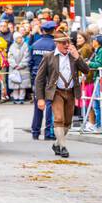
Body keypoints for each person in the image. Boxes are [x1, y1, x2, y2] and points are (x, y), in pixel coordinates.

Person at [33, 26, 89, 158]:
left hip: (70, 92)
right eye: (63, 42)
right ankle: (63, 147)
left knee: (67, 123)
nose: (66, 45)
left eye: (68, 42)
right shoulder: (49, 57)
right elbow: (39, 79)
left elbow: (86, 70)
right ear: (57, 43)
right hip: (56, 92)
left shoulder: (74, 56)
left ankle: (58, 143)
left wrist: (77, 57)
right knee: (59, 119)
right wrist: (40, 98)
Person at [6, 32, 31, 104]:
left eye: (20, 38)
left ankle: (21, 98)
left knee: (23, 85)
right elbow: (10, 57)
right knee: (15, 84)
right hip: (14, 68)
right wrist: (14, 65)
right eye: (18, 38)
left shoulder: (25, 45)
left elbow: (26, 56)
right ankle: (15, 98)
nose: (19, 39)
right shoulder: (12, 46)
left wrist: (21, 65)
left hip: (23, 68)